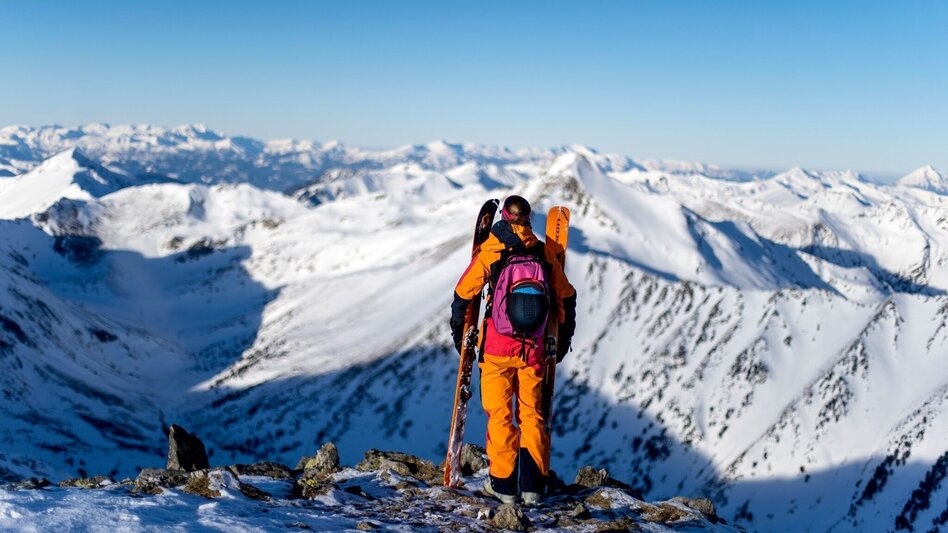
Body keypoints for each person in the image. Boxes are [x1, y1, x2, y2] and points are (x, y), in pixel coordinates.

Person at [450, 195, 577, 505]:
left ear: (504, 218)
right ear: (529, 219)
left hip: (496, 348)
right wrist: (560, 342)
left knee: (500, 416)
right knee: (533, 414)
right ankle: (534, 488)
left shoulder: (492, 252)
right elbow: (567, 297)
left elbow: (464, 294)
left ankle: (504, 486)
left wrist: (461, 336)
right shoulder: (544, 253)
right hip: (533, 351)